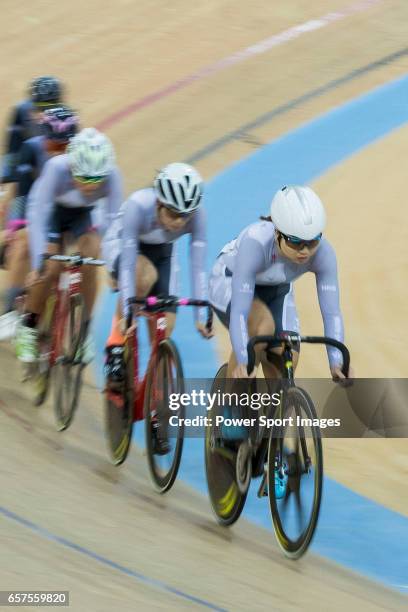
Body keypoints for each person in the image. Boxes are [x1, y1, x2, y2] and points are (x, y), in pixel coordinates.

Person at [102, 162, 213, 451]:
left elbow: (198, 266)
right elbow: (127, 264)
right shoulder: (139, 206)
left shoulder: (196, 215)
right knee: (142, 277)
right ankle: (116, 347)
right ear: (160, 202)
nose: (179, 222)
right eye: (174, 214)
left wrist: (202, 314)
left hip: (163, 254)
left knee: (164, 330)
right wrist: (128, 307)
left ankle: (155, 406)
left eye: (185, 216)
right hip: (125, 248)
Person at [209, 184, 353, 379]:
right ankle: (230, 401)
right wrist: (244, 360)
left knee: (287, 355)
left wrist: (337, 362)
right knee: (261, 326)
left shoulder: (324, 254)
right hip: (229, 280)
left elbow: (332, 313)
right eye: (295, 241)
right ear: (277, 233)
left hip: (277, 290)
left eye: (312, 241)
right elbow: (240, 313)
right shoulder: (256, 244)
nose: (305, 251)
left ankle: (278, 407)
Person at [15, 127, 123, 364]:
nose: (90, 185)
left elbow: (113, 224)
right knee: (49, 267)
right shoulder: (57, 168)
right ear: (73, 166)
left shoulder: (112, 175)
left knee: (92, 258)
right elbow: (38, 215)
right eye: (84, 177)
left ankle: (83, 332)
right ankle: (29, 325)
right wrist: (38, 262)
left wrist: (114, 265)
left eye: (97, 179)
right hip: (50, 212)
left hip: (82, 216)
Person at [0, 106, 79, 339]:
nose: (59, 151)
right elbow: (21, 194)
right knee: (24, 241)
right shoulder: (31, 149)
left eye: (65, 145)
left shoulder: (82, 154)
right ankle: (9, 312)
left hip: (65, 214)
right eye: (54, 145)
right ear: (44, 138)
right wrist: (13, 228)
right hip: (36, 209)